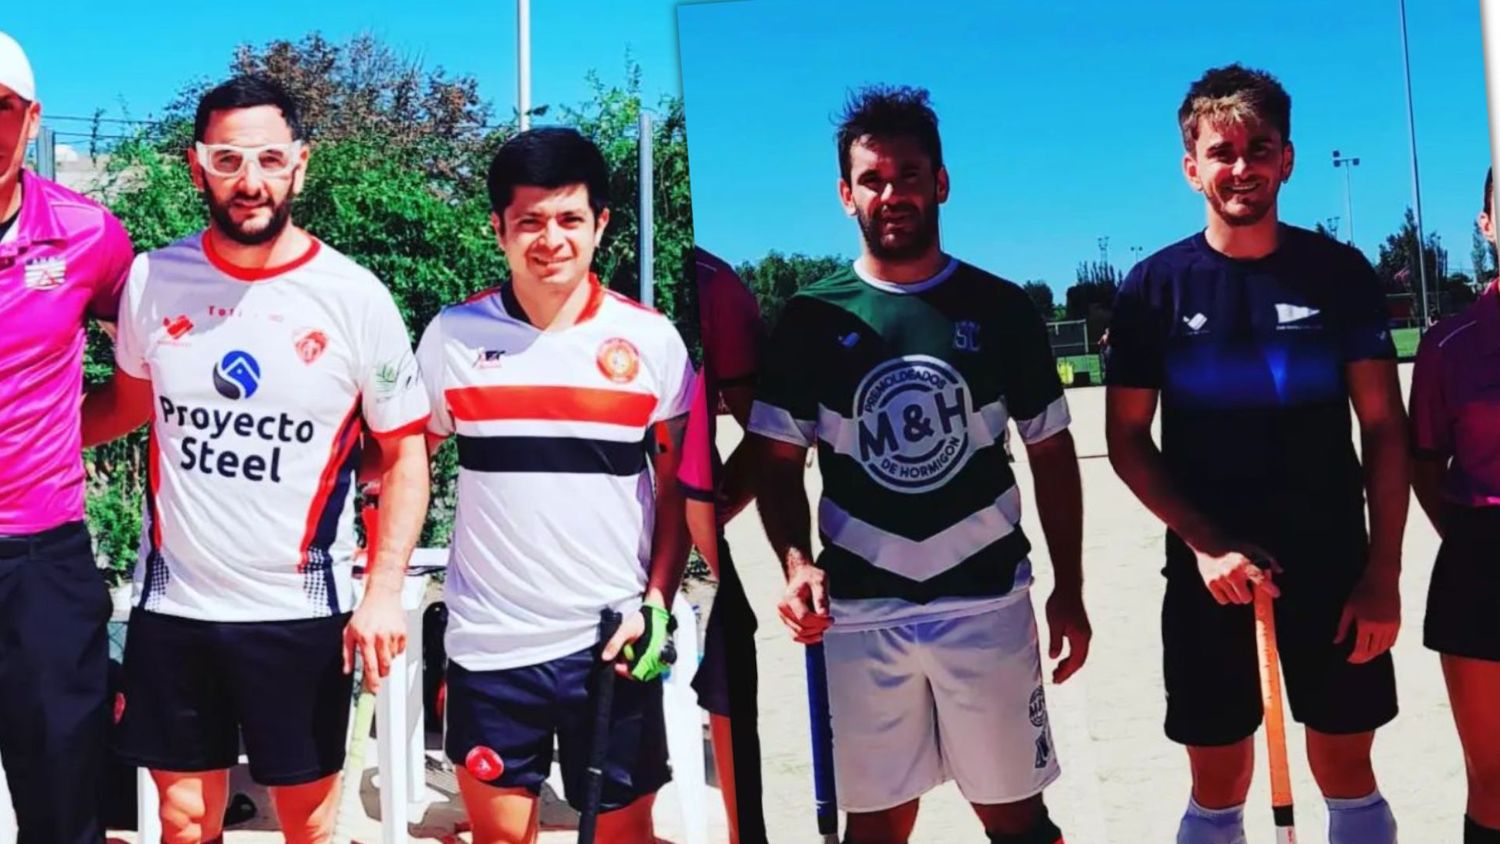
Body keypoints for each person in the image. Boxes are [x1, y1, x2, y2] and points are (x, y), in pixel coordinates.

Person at [81, 74, 431, 844]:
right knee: (182, 822)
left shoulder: (355, 297)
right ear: (196, 166)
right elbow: (128, 406)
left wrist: (382, 591)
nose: (251, 181)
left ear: (301, 163)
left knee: (309, 824)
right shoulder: (153, 281)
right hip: (175, 605)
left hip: (299, 612)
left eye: (270, 158)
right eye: (228, 159)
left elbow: (406, 452)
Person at [747, 85, 1089, 844]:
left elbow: (1052, 452)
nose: (891, 193)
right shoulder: (811, 318)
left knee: (1017, 819)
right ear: (846, 195)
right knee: (875, 826)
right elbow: (776, 460)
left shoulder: (1000, 308)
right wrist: (796, 563)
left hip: (986, 602)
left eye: (908, 175)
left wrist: (1070, 586)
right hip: (861, 611)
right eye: (872, 179)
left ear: (941, 182)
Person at [1104, 64, 1407, 844]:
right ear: (1191, 167)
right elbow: (1127, 438)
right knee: (1216, 781)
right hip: (1208, 572)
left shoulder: (1338, 274)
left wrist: (1383, 573)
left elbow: (1383, 426)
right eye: (1222, 151)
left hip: (1333, 565)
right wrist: (1205, 543)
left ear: (1287, 158)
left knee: (1347, 770)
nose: (1242, 167)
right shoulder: (1153, 287)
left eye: (1259, 148)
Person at [417, 127, 694, 844]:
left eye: (570, 219)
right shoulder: (452, 337)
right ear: (499, 229)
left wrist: (657, 602)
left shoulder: (652, 341)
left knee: (625, 838)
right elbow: (406, 459)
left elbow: (678, 490)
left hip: (613, 639)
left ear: (601, 224)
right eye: (530, 222)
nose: (551, 240)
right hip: (491, 645)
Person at [0, 30, 135, 844]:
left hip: (40, 560)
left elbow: (142, 382)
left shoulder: (88, 235)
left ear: (32, 118)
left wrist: (57, 438)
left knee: (61, 802)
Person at [1409, 166, 1500, 844]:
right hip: (1481, 561)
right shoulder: (1450, 343)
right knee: (1495, 781)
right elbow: (1422, 462)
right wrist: (1471, 540)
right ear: (1486, 224)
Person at [685, 246, 768, 844]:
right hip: (595, 518)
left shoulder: (715, 286)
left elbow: (767, 431)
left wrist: (718, 508)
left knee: (730, 647)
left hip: (684, 508)